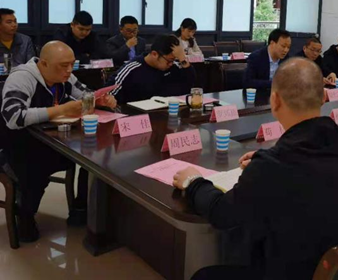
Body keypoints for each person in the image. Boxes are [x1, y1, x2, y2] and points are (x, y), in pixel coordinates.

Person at [173, 58, 338, 280]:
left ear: (274, 100)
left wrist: (193, 182)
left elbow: (222, 213)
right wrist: (265, 159)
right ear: (324, 97)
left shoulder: (274, 165)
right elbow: (305, 167)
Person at [0, 41, 116, 241]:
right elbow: (14, 117)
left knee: (90, 159)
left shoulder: (66, 76)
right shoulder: (21, 78)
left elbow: (86, 95)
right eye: (63, 65)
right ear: (43, 63)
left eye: (72, 64)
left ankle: (80, 210)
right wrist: (61, 109)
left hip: (50, 139)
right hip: (18, 144)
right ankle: (25, 215)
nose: (69, 70)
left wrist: (101, 100)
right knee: (36, 170)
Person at [109, 34, 196, 104]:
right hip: (137, 115)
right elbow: (109, 93)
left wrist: (182, 59)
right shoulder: (132, 68)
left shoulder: (173, 67)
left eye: (174, 60)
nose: (171, 64)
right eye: (169, 60)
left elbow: (189, 85)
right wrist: (109, 100)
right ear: (154, 54)